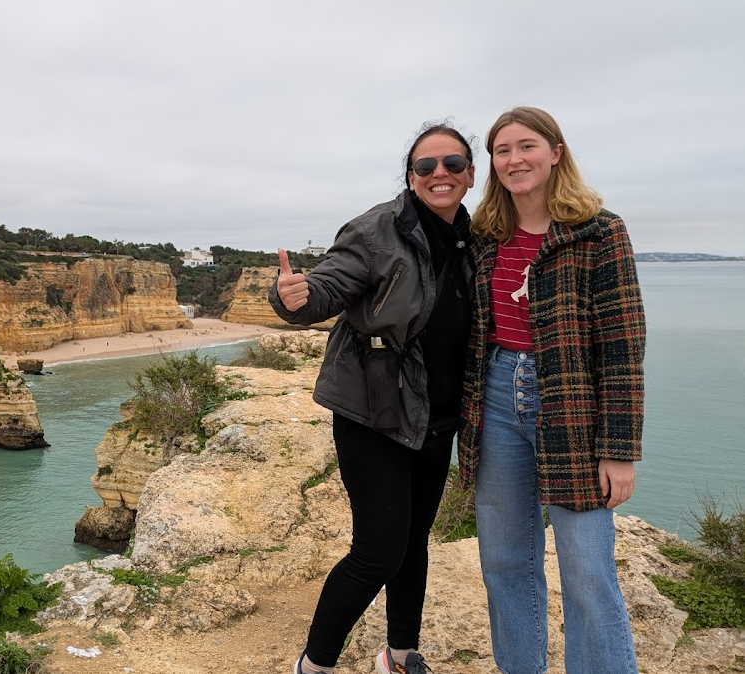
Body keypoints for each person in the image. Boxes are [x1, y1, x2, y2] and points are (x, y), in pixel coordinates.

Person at [269, 122, 476, 674]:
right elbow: (328, 288)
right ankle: (315, 665)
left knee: (414, 541)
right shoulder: (376, 230)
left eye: (452, 164)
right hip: (374, 411)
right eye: (426, 166)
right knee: (378, 550)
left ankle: (400, 655)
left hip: (436, 417)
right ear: (410, 177)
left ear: (470, 175)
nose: (439, 174)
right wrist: (295, 297)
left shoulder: (474, 239)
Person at [458, 106, 646, 674]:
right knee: (504, 562)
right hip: (495, 397)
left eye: (527, 146)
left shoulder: (599, 231)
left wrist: (619, 450)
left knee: (587, 570)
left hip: (571, 405)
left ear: (556, 153)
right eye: (503, 150)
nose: (515, 159)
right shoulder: (485, 236)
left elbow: (623, 345)